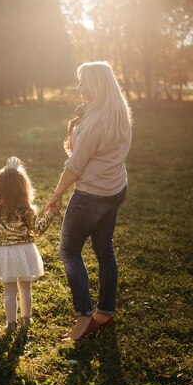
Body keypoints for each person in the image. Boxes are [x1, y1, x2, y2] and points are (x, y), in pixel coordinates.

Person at [46, 61, 132, 341]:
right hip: (115, 188)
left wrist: (57, 194)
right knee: (104, 248)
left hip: (91, 195)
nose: (79, 87)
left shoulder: (97, 122)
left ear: (94, 86)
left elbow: (75, 165)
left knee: (69, 252)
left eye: (83, 82)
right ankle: (105, 313)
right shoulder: (119, 113)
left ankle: (84, 317)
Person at [0, 156, 56, 332]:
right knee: (25, 288)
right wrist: (50, 215)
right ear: (23, 188)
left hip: (4, 253)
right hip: (24, 251)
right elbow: (38, 230)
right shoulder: (26, 209)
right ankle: (26, 319)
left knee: (9, 291)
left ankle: (11, 323)